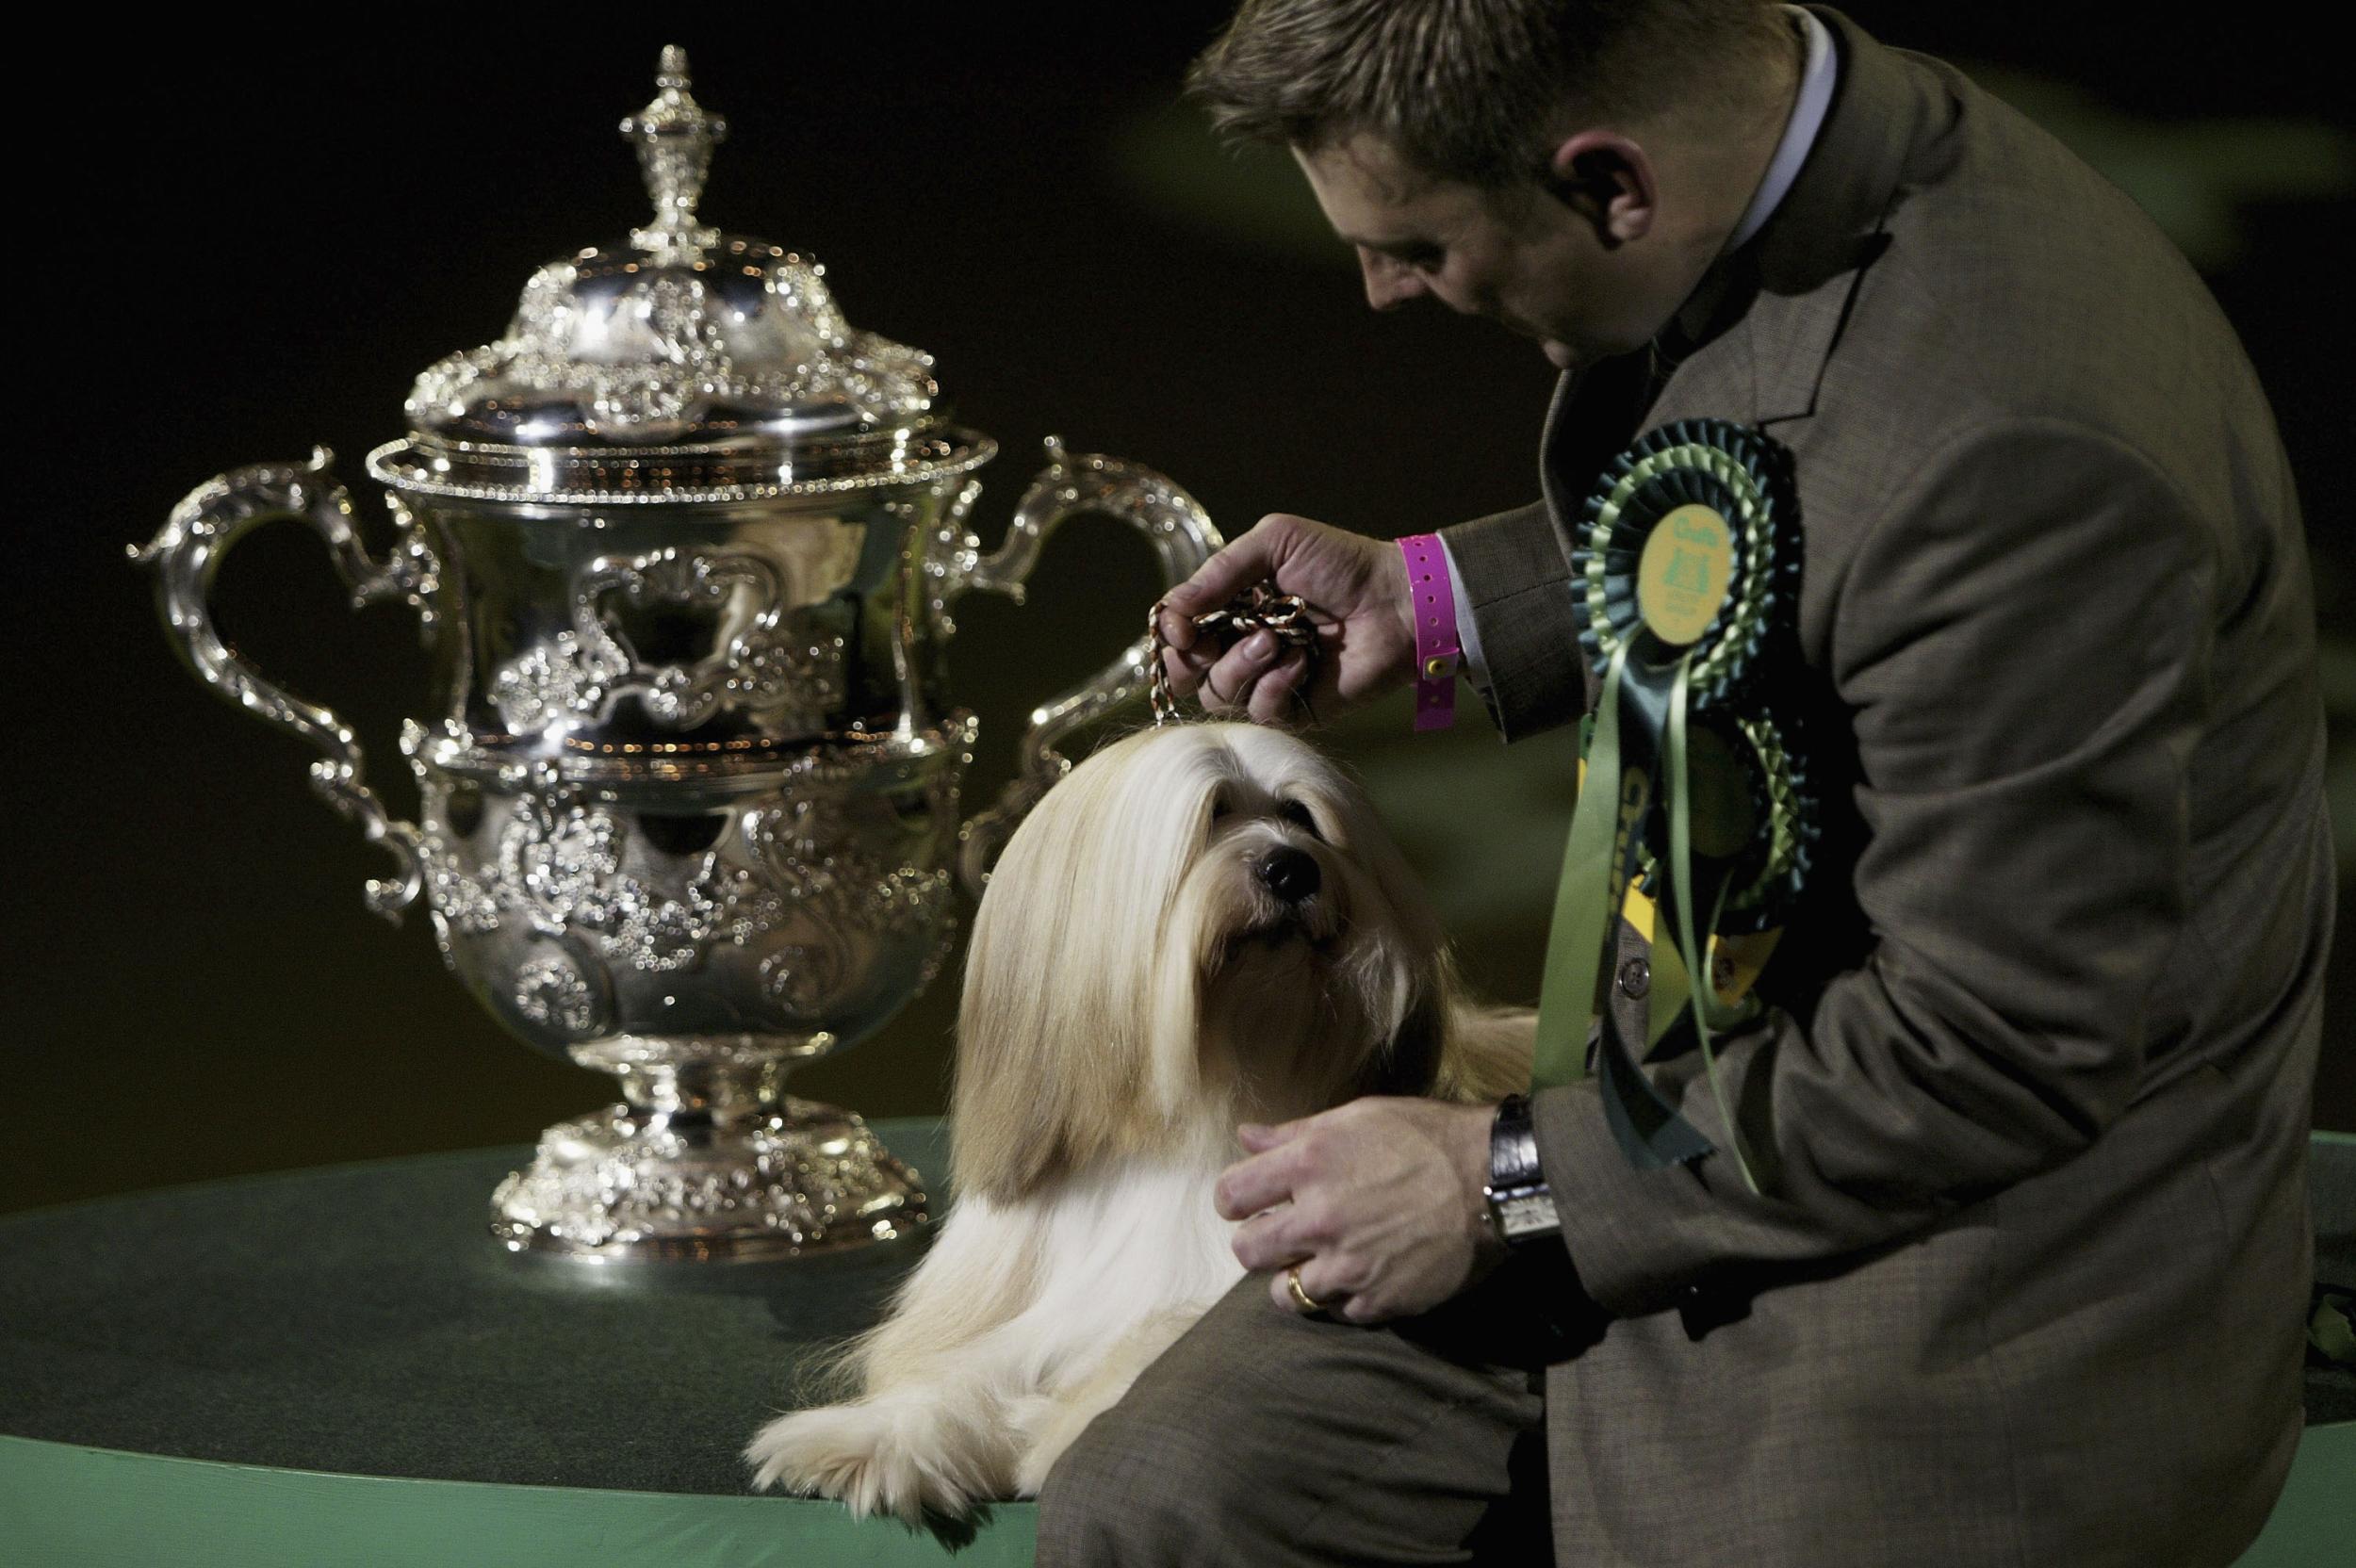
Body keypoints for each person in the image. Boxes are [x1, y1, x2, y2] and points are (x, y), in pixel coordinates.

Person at [1033, 3, 2329, 1565]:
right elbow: (1786, 507)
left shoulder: (2021, 440)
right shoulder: (1785, 147)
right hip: (1680, 1123)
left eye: (1420, 245)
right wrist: (1437, 605)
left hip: (1968, 1272)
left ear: (1608, 188)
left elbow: (1997, 1051)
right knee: (1172, 1503)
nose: (1384, 292)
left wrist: (1500, 1178)